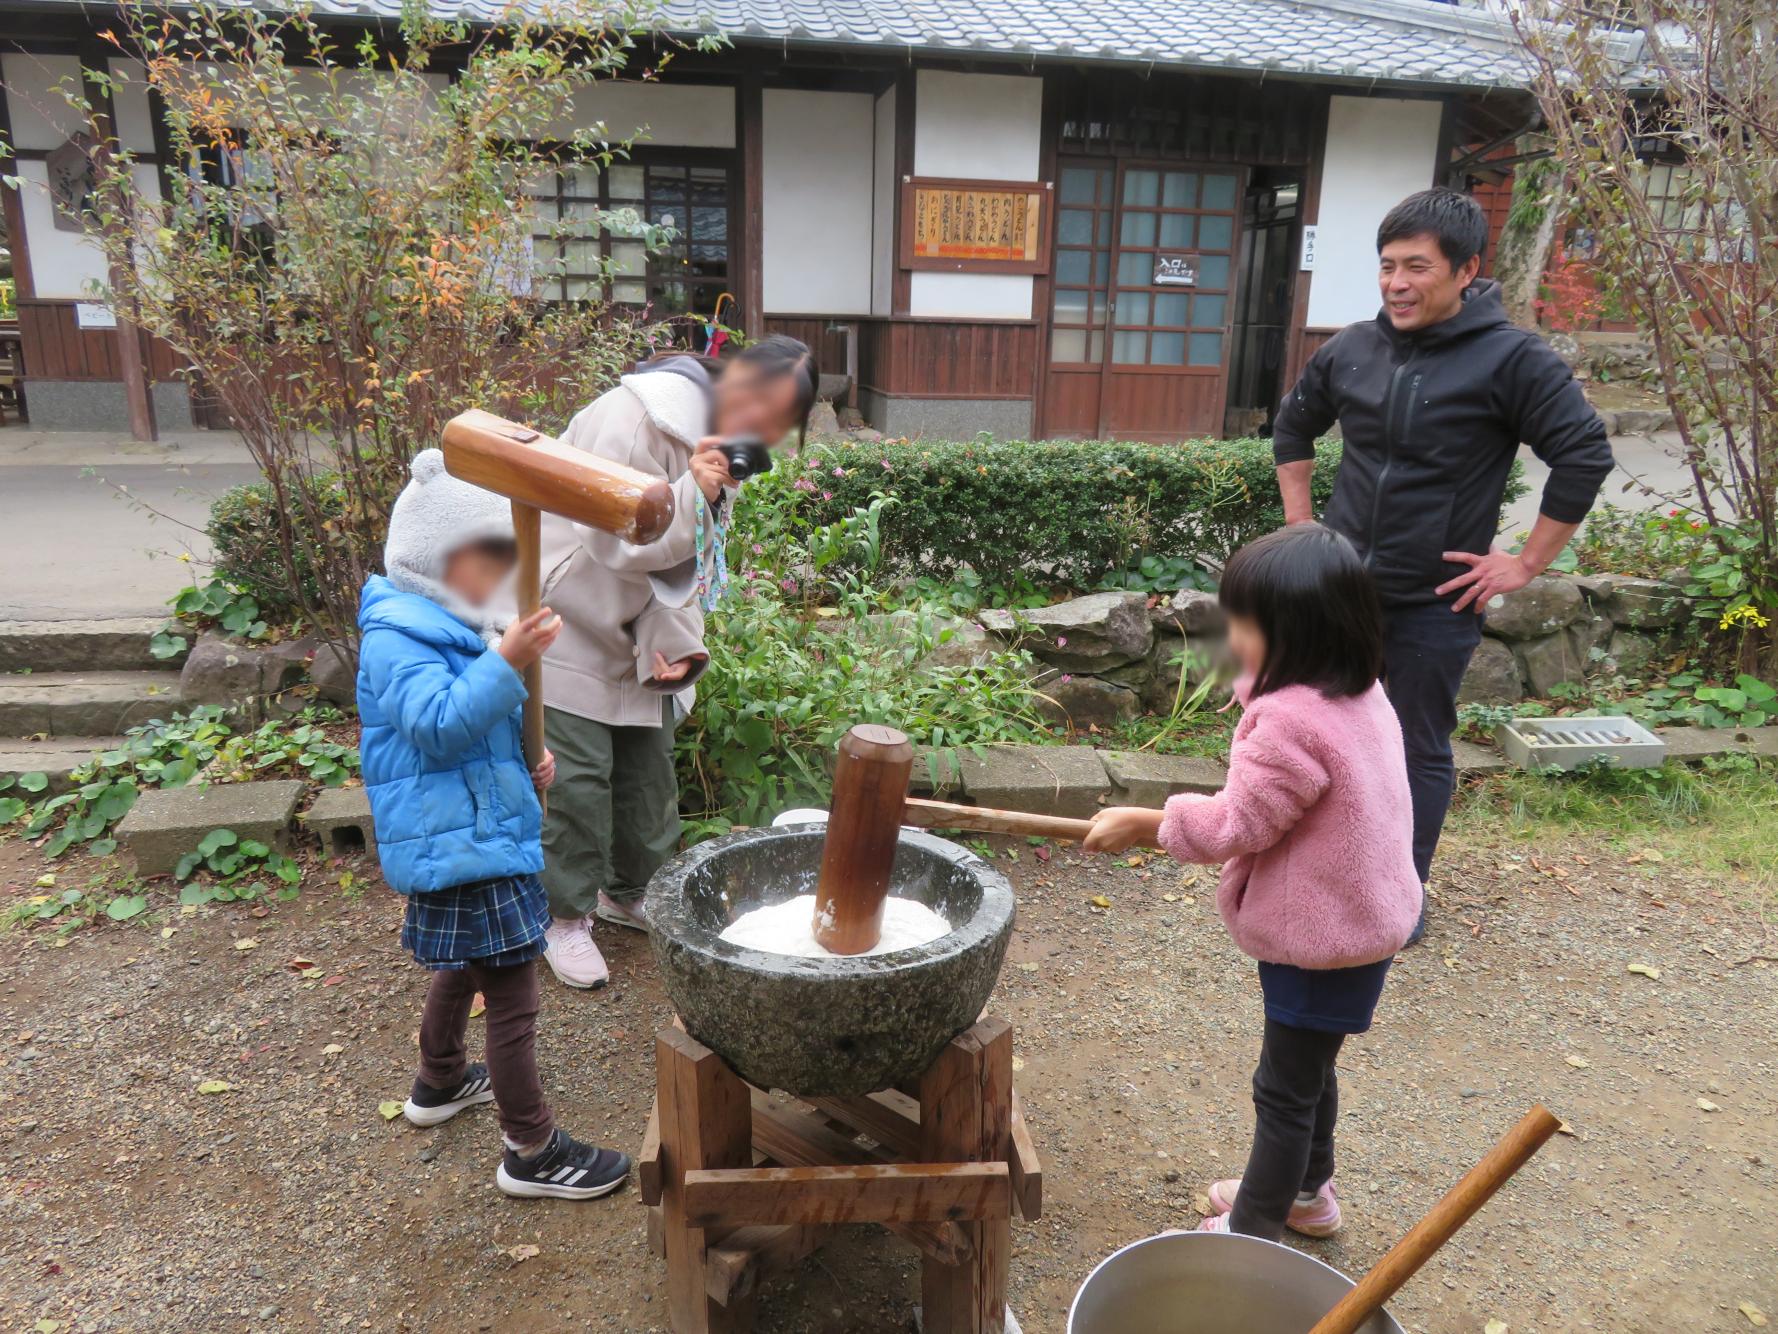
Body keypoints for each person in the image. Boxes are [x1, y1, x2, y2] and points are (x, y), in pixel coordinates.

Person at [1271, 187, 1612, 940]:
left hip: (1437, 598)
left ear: (1466, 271)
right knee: (1318, 732)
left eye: (1417, 267)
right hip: (1341, 593)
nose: (1397, 282)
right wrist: (1303, 530)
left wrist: (1524, 563)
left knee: (1416, 748)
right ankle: (1315, 872)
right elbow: (1292, 430)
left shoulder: (1514, 360)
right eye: (1388, 265)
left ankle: (1399, 894)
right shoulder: (1352, 347)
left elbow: (1584, 454)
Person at [1082, 524, 1421, 1241]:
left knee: (1285, 1091)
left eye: (1244, 624)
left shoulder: (1292, 723)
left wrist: (1147, 821)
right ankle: (1306, 1194)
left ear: (1297, 633)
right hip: (1362, 921)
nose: (1231, 637)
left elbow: (1240, 823)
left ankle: (1253, 1234)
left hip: (1322, 932)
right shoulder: (1358, 693)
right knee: (1309, 1072)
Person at [356, 449, 632, 1200]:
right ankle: (532, 1149)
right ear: (434, 561)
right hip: (462, 843)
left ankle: (439, 1081)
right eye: (489, 562)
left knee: (465, 962)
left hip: (470, 830)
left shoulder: (451, 621)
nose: (502, 579)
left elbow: (478, 727)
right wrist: (507, 658)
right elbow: (438, 725)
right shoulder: (397, 635)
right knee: (510, 992)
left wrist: (522, 758)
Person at [538, 335, 819, 989]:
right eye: (760, 404)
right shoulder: (636, 416)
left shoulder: (719, 450)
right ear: (736, 375)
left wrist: (677, 640)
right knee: (576, 781)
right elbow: (614, 539)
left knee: (647, 775)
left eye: (778, 421)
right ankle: (564, 917)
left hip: (638, 628)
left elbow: (694, 567)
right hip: (568, 617)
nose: (762, 426)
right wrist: (693, 491)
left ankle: (628, 893)